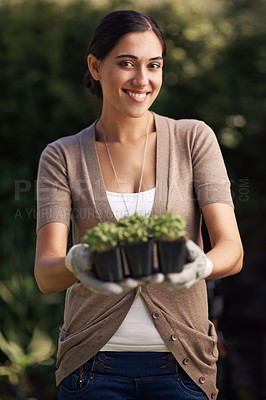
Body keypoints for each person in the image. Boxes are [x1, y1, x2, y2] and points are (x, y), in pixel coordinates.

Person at [34, 10, 243, 400]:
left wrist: (203, 264)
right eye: (126, 63)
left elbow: (232, 248)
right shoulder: (62, 156)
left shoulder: (193, 139)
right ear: (96, 67)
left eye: (154, 65)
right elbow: (46, 274)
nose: (142, 80)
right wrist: (78, 262)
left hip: (183, 368)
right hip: (92, 369)